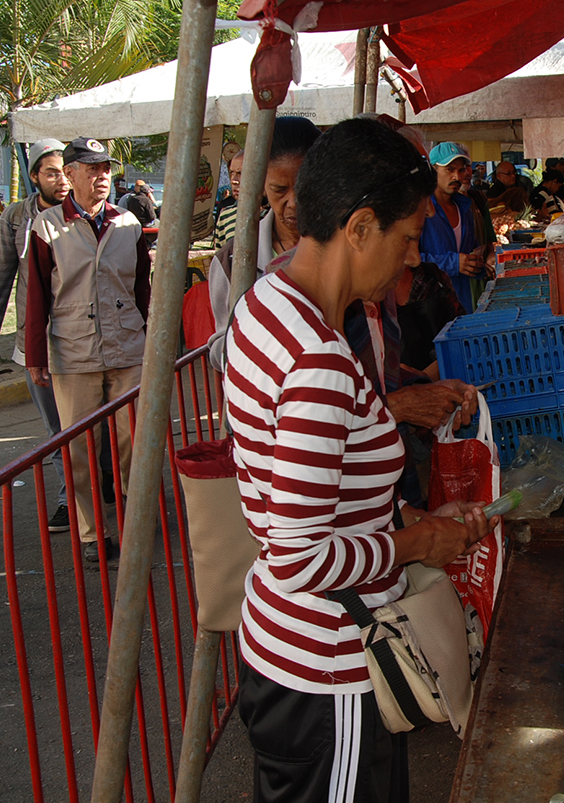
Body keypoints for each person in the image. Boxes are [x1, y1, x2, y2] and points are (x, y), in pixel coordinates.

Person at [225, 116, 498, 803]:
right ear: (359, 227)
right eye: (406, 238)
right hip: (328, 667)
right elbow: (299, 556)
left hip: (286, 651)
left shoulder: (267, 303)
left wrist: (408, 514)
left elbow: (320, 496)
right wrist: (415, 541)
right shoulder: (317, 358)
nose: (411, 258)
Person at [24, 137, 152, 567]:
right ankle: (92, 533)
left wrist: (153, 339)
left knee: (134, 439)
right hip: (73, 349)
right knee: (79, 448)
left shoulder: (128, 223)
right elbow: (37, 293)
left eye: (106, 170)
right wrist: (35, 353)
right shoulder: (46, 227)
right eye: (92, 169)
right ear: (72, 173)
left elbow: (142, 289)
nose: (101, 177)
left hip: (127, 346)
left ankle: (137, 523)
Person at [0, 138, 73, 532]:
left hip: (83, 341)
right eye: (51, 172)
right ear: (34, 177)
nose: (61, 180)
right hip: (36, 346)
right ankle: (69, 498)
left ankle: (104, 491)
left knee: (94, 426)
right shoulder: (16, 218)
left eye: (66, 171)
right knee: (57, 430)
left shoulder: (81, 213)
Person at [206, 116, 321, 372]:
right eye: (280, 189)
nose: (293, 202)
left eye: (304, 188)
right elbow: (219, 346)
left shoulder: (346, 247)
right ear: (261, 186)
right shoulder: (231, 260)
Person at [420, 142, 483, 313]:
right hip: (431, 308)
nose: (457, 176)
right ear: (433, 171)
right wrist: (453, 263)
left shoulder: (464, 208)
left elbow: (469, 252)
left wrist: (481, 262)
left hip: (462, 302)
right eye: (449, 169)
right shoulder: (421, 211)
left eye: (461, 170)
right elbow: (408, 260)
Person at [212, 150, 245, 249]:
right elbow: (220, 259)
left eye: (241, 173)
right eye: (232, 173)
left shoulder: (272, 214)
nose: (234, 180)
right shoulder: (226, 215)